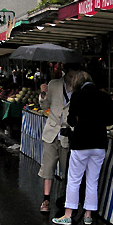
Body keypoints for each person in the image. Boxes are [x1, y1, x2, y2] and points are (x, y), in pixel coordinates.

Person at [52, 72, 113, 225]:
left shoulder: (77, 96)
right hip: (99, 143)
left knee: (74, 179)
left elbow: (71, 121)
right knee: (92, 180)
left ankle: (68, 214)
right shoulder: (105, 97)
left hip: (81, 142)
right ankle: (88, 215)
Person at [38, 63, 81, 213]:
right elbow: (44, 106)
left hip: (68, 133)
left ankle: (65, 200)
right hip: (51, 131)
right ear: (65, 74)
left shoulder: (79, 88)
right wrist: (43, 94)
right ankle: (46, 199)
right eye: (70, 76)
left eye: (75, 76)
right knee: (48, 167)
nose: (72, 79)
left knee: (67, 170)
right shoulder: (54, 84)